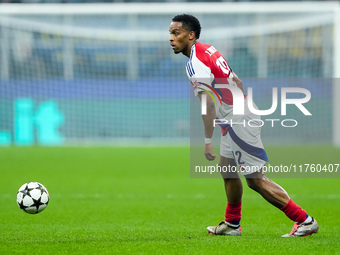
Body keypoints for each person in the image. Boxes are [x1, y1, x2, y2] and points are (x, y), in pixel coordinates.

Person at [169, 14, 319, 237]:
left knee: (256, 180)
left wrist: (208, 140)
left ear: (190, 35)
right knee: (227, 169)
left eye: (176, 33)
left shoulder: (195, 64)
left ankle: (304, 220)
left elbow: (207, 106)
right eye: (170, 33)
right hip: (237, 115)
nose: (171, 38)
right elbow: (236, 81)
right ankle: (232, 224)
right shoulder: (209, 50)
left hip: (239, 118)